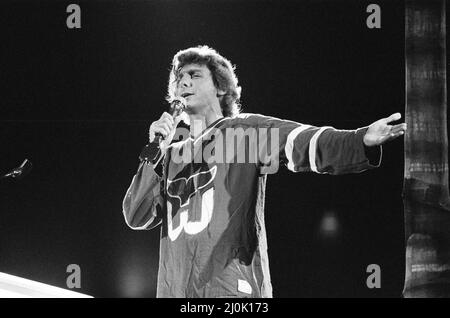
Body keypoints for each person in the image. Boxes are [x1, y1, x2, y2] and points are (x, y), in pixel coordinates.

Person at [122, 45, 406, 298]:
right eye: (178, 78)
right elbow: (137, 215)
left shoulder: (242, 132)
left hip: (231, 291)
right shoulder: (169, 155)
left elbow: (300, 142)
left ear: (221, 87)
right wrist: (153, 153)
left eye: (194, 75)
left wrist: (359, 139)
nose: (182, 82)